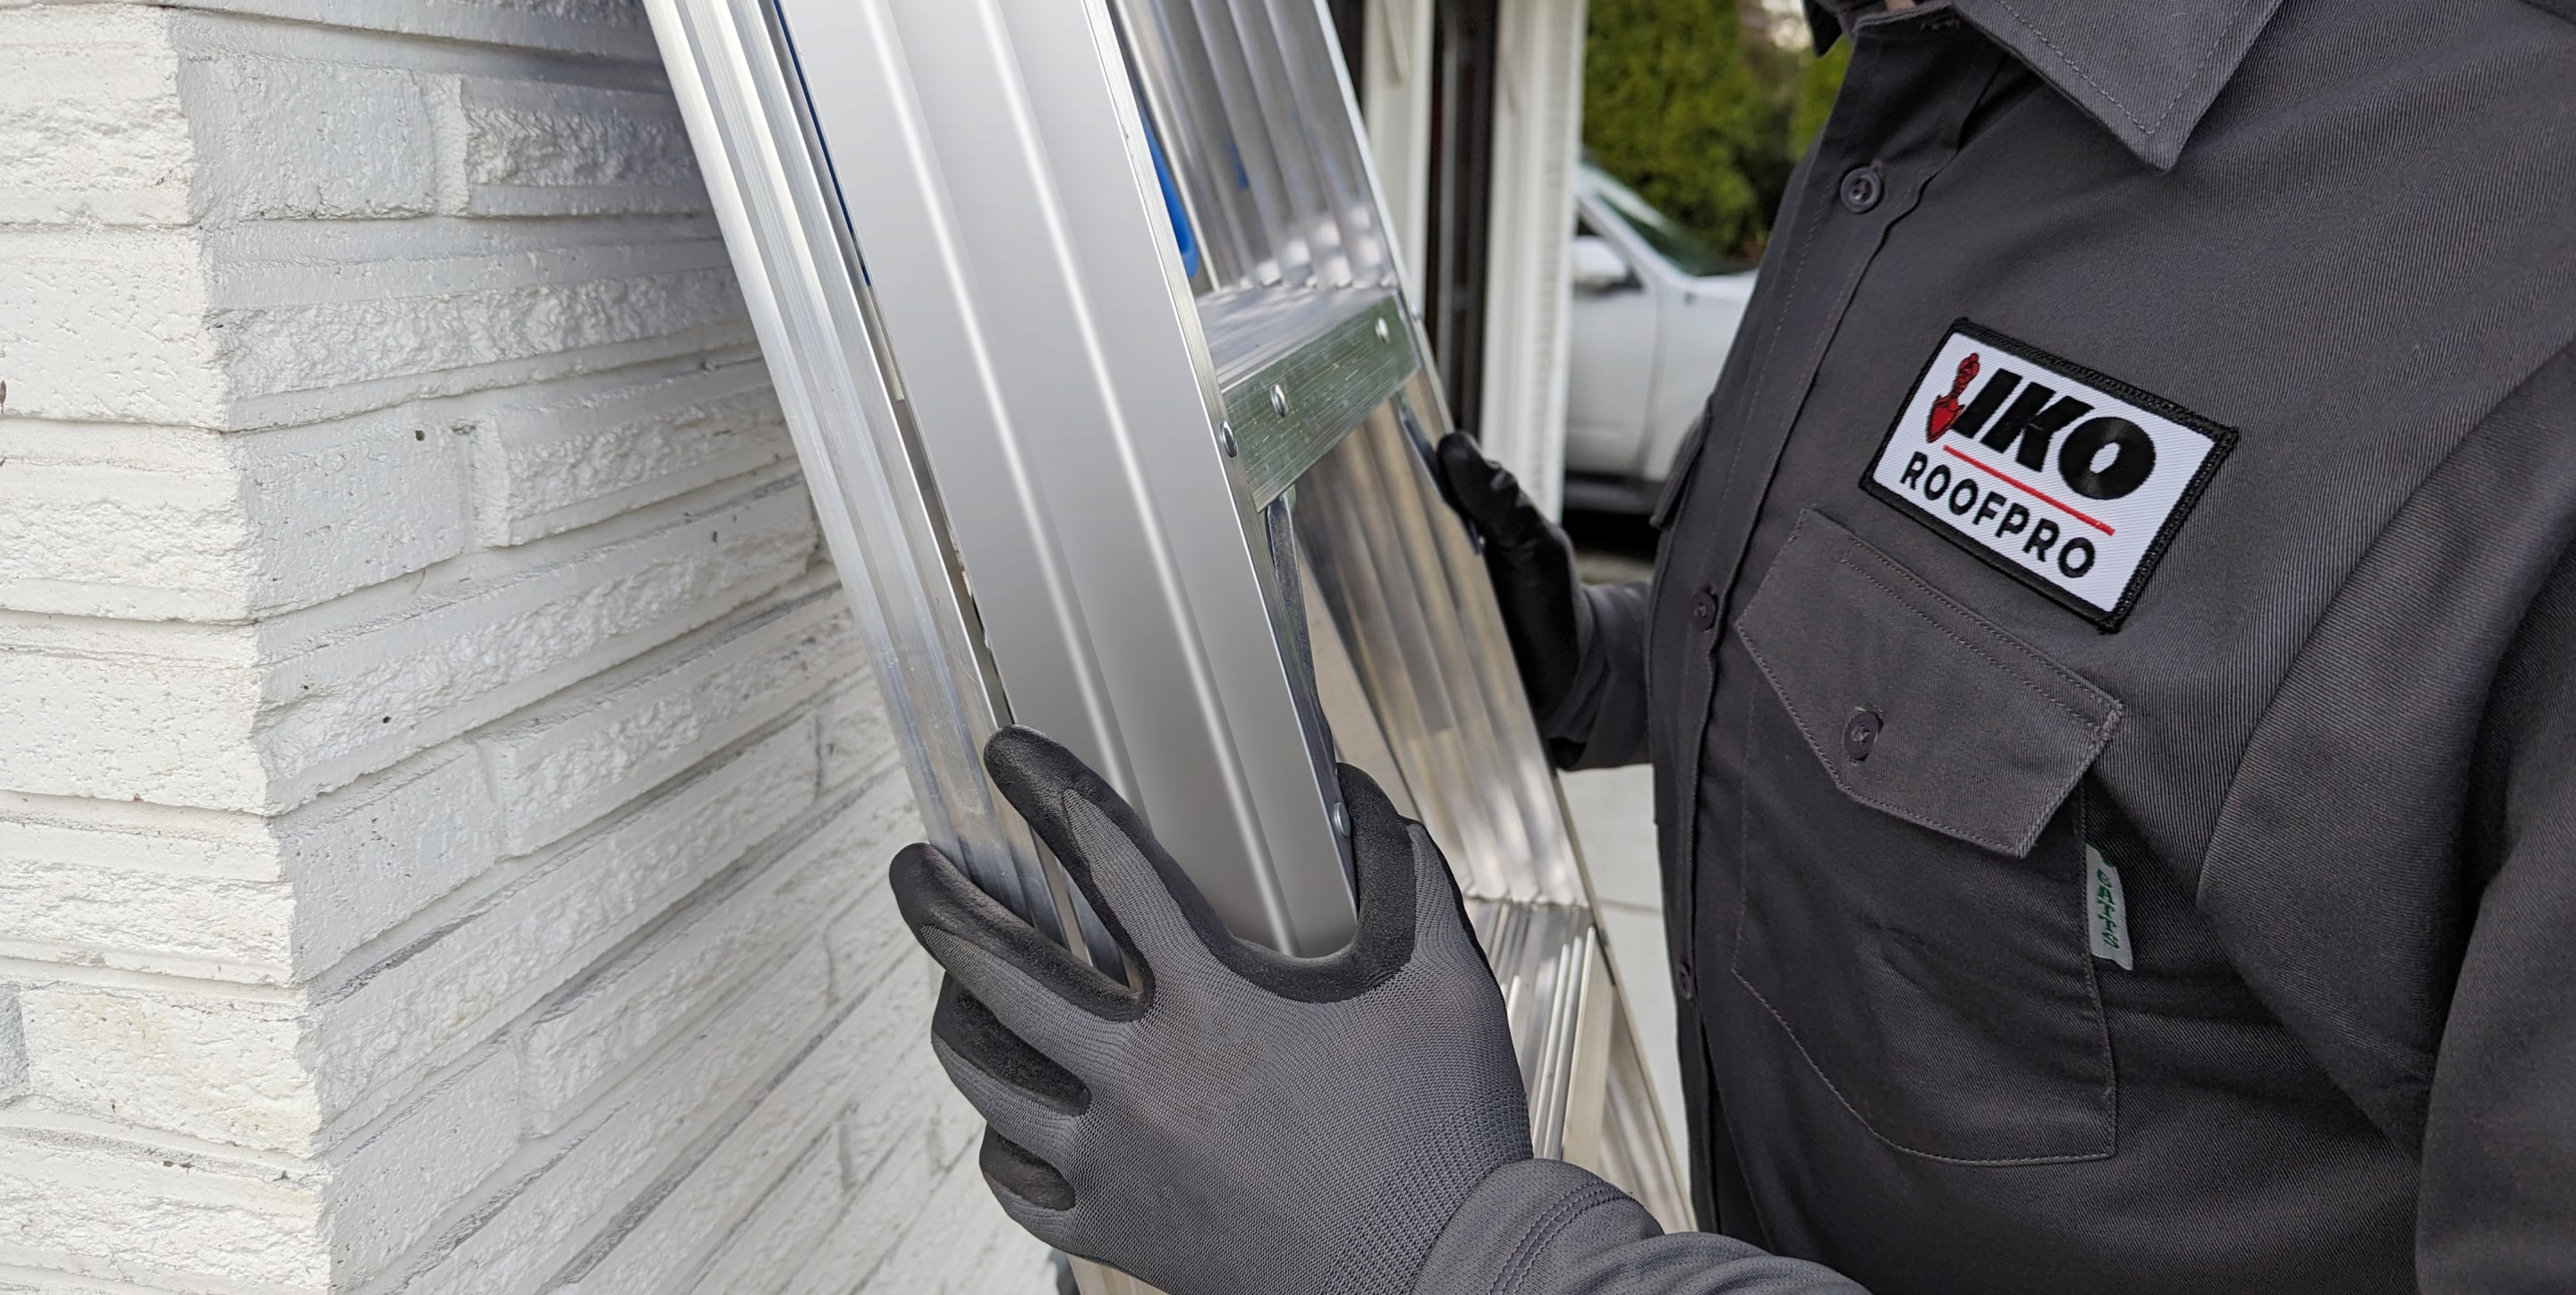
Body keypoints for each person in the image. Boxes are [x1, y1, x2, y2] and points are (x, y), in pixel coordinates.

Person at [890, 0, 2576, 1291]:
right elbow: (1978, 715)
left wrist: (1444, 1252)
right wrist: (1602, 668)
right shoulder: (1921, 112)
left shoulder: (2517, 309)